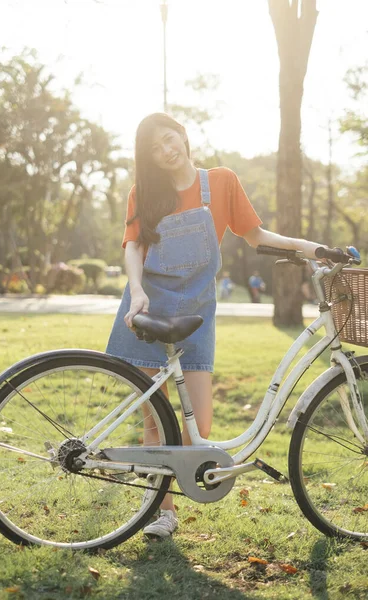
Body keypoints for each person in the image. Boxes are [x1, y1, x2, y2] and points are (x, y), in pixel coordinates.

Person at [106, 112, 324, 539]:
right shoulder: (144, 192)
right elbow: (133, 246)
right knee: (156, 424)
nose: (166, 151)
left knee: (197, 427)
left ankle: (166, 492)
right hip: (148, 307)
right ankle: (162, 512)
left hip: (196, 315)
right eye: (154, 149)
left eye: (169, 140)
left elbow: (255, 235)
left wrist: (309, 248)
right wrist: (136, 291)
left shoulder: (221, 182)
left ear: (182, 136)